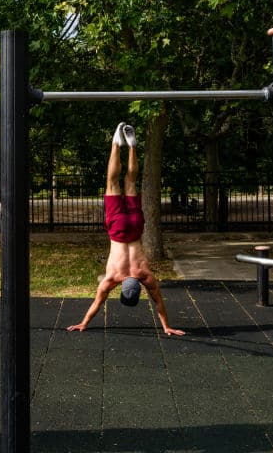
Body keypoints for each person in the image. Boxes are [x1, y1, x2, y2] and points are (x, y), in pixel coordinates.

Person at [67, 123, 186, 336]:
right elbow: (97, 303)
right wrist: (83, 323)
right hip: (118, 230)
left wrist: (167, 326)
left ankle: (131, 145)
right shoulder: (112, 279)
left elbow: (159, 303)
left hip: (135, 227)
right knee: (112, 182)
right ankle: (116, 142)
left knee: (131, 181)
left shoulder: (145, 276)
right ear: (120, 290)